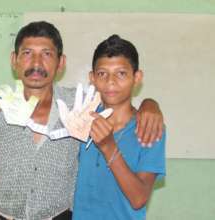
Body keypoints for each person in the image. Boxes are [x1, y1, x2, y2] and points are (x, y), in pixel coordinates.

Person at [0, 21, 163, 220]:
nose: (36, 63)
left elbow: (117, 101)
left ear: (61, 63)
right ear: (14, 60)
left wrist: (150, 105)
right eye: (27, 53)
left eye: (46, 54)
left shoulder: (81, 107)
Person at [72, 34, 166, 220]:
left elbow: (139, 199)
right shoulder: (81, 117)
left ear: (137, 77)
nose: (111, 81)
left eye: (121, 73)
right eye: (102, 74)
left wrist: (109, 147)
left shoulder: (149, 128)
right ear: (92, 78)